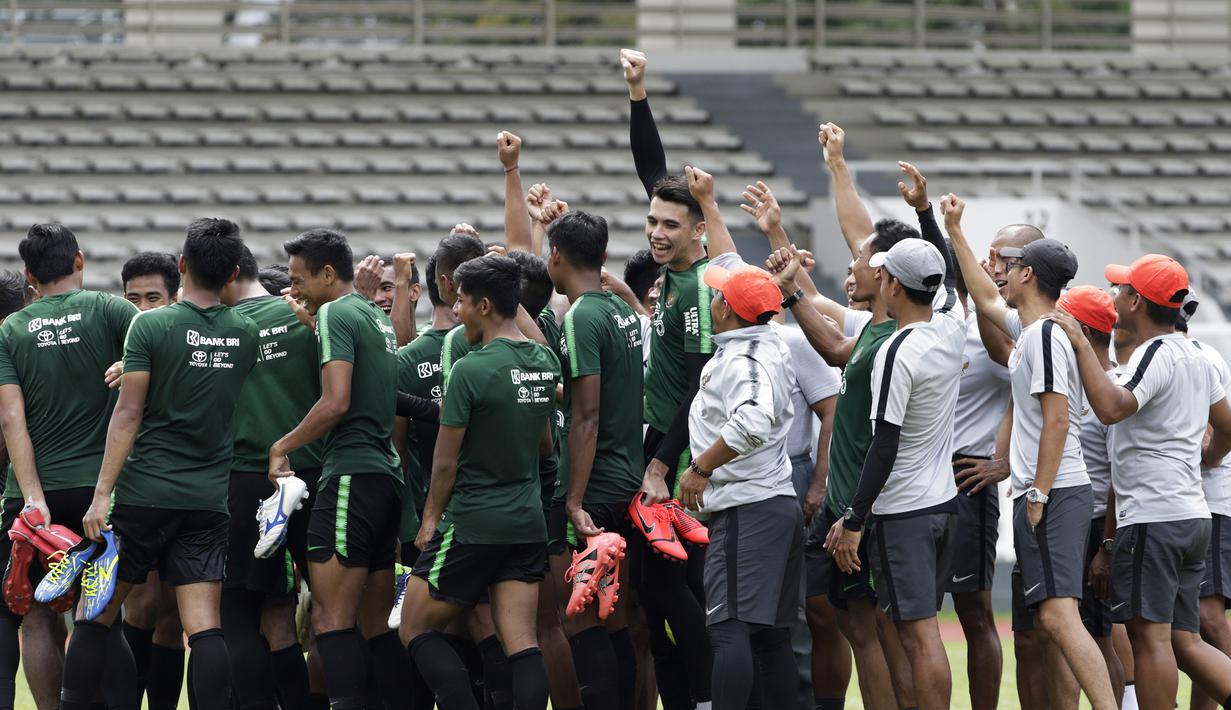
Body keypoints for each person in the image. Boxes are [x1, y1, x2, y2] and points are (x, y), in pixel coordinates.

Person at [60, 218, 259, 710]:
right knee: (204, 626)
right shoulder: (247, 333)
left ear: (183, 265)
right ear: (233, 272)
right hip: (208, 499)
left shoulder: (150, 325)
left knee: (95, 613)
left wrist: (102, 493)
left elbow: (128, 414)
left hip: (143, 494)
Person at [944, 194, 1118, 709]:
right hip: (1051, 491)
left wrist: (1037, 492)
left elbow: (1057, 419)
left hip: (1053, 492)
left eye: (1010, 265)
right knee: (1053, 617)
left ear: (1029, 275)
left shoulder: (1042, 336)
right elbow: (983, 298)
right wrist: (955, 230)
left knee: (1059, 616)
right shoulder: (1035, 328)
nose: (1001, 271)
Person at [1051, 254, 1231, 709]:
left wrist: (1076, 341)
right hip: (1191, 515)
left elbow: (1112, 407)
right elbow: (1228, 424)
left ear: (1135, 300)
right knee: (1185, 642)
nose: (1115, 295)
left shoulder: (1156, 353)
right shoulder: (1196, 354)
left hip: (1154, 517)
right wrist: (1208, 455)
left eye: (1121, 288)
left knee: (1150, 639)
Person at [810, 231, 965, 710]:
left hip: (906, 513)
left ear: (894, 285)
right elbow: (954, 281)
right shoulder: (952, 326)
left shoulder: (897, 351)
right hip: (943, 504)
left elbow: (884, 444)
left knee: (917, 636)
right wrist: (928, 215)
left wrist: (854, 519)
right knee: (917, 631)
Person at [400, 255, 560, 710]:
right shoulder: (543, 360)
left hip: (474, 523)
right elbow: (546, 445)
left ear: (485, 305)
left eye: (463, 302)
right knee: (522, 643)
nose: (458, 312)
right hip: (526, 522)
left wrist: (430, 519)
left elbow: (445, 462)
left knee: (416, 628)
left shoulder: (469, 370)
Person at [624, 50, 731, 710]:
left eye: (670, 224)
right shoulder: (677, 268)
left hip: (678, 453)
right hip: (660, 447)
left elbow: (696, 382)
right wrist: (637, 94)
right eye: (651, 223)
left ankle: (705, 696)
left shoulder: (697, 291)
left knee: (674, 588)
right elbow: (652, 174)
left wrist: (662, 463)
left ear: (697, 229)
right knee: (655, 588)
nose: (656, 233)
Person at [269, 229, 411, 710]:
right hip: (386, 481)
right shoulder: (374, 316)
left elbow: (335, 402)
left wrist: (282, 445)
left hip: (350, 475)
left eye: (299, 279)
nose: (295, 290)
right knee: (374, 625)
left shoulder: (335, 313)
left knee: (331, 619)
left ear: (328, 275)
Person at [0, 225, 140, 710]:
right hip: (100, 491)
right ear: (79, 260)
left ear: (29, 275)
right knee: (102, 615)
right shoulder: (113, 310)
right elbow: (161, 367)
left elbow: (11, 417)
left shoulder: (11, 329)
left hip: (34, 495)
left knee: (38, 616)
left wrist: (32, 495)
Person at [678, 255, 800, 710]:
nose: (711, 298)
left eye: (718, 294)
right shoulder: (761, 341)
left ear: (728, 311)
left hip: (749, 506)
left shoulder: (746, 356)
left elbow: (752, 421)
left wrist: (701, 467)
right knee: (770, 637)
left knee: (727, 629)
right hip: (769, 502)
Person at [546, 210, 645, 710]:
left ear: (555, 257)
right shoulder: (620, 311)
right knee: (617, 617)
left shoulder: (581, 316)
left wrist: (573, 500)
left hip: (594, 487)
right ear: (603, 257)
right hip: (624, 480)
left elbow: (586, 416)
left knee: (579, 620)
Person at [220, 245, 321, 710]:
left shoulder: (219, 327)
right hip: (318, 475)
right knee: (333, 617)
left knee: (238, 616)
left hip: (248, 477)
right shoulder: (310, 319)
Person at [119, 250, 188, 708]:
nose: (143, 308)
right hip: (138, 493)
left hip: (190, 493)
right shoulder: (123, 349)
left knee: (170, 616)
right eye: (134, 298)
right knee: (141, 607)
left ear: (175, 296)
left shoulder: (196, 344)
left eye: (153, 297)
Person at [1057, 286, 1127, 704]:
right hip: (1079, 520)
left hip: (1096, 524)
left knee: (1101, 638)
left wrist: (1105, 546)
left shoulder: (1111, 387)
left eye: (1062, 321)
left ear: (1081, 330)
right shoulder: (1077, 379)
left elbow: (1122, 474)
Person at [1177, 294, 1231, 710]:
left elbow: (1221, 433)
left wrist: (1207, 457)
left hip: (1210, 502)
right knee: (1198, 627)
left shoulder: (1199, 357)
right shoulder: (1192, 354)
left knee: (1208, 620)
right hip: (1198, 505)